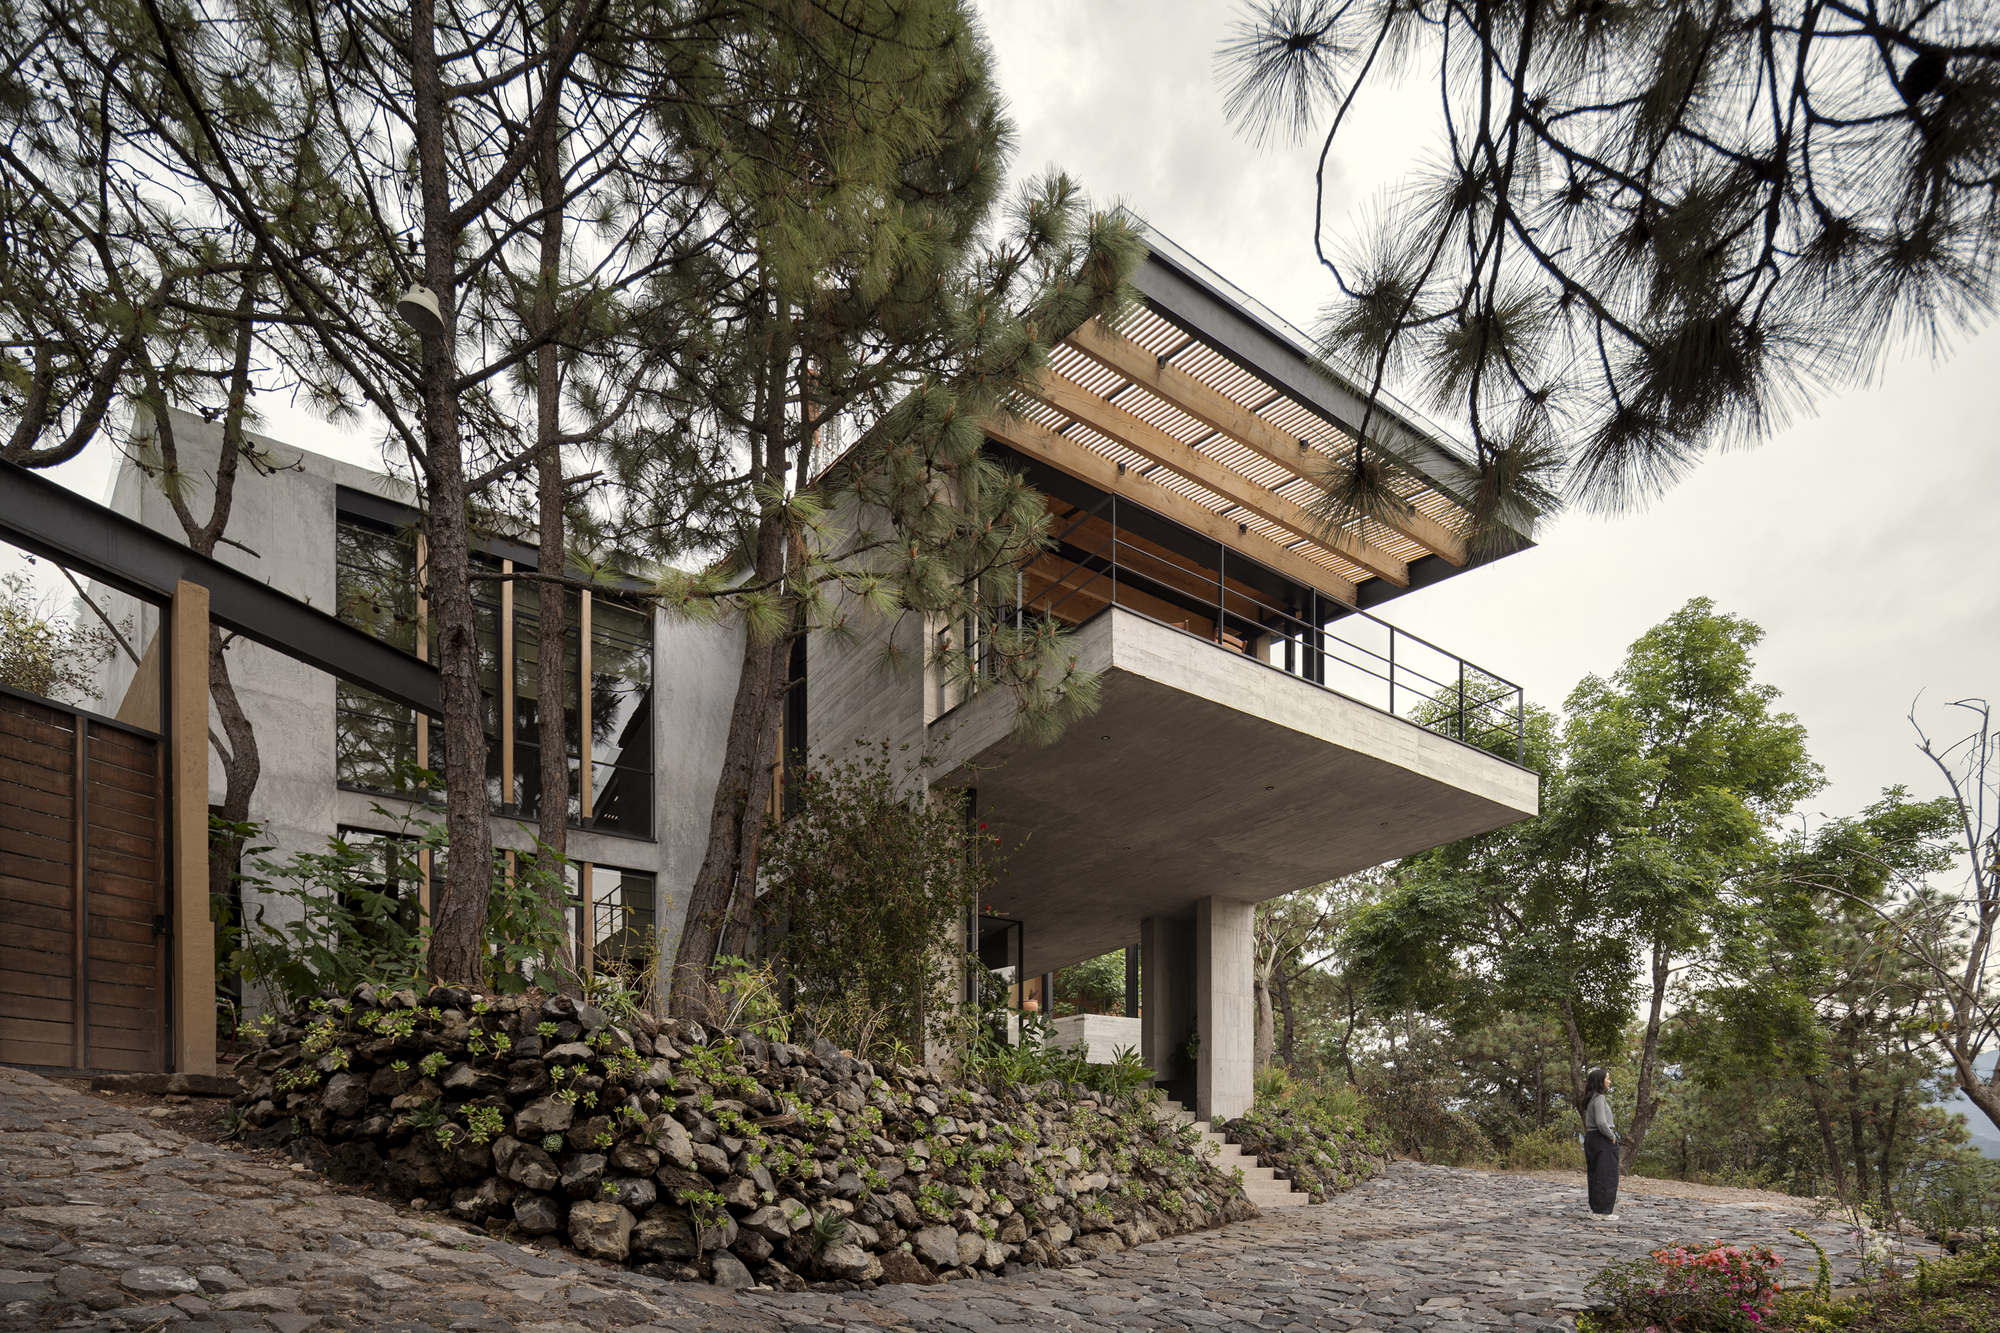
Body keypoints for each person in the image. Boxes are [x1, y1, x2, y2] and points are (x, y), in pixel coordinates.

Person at [1577, 1067, 1620, 1220]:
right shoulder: (1599, 1098)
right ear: (1600, 1081)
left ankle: (1596, 1209)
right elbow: (1601, 1122)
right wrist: (1611, 1136)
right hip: (1601, 1138)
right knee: (1606, 1175)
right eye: (1607, 1078)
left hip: (1592, 1138)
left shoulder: (1591, 1098)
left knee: (1595, 1174)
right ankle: (1603, 1211)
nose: (1609, 1081)